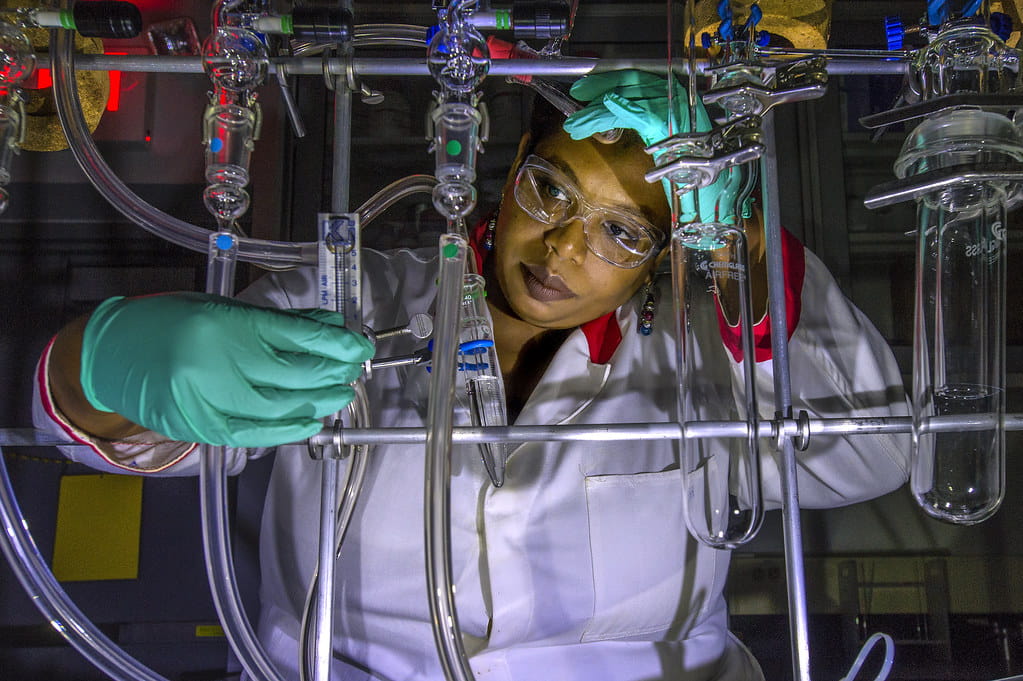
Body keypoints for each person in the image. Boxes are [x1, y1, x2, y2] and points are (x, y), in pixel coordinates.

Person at [34, 71, 910, 680]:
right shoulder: (348, 296)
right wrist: (103, 363)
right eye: (550, 190)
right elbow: (111, 437)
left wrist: (747, 251)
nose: (565, 245)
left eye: (622, 232)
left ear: (671, 249)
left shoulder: (701, 355)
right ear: (510, 160)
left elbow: (866, 457)